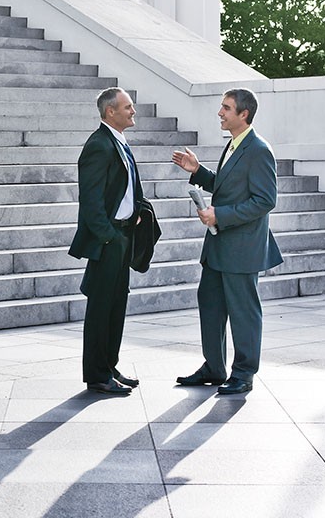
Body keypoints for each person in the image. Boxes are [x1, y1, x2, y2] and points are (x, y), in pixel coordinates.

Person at [172, 88, 283, 394]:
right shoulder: (234, 145)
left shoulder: (259, 149)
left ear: (243, 114)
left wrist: (219, 215)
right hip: (219, 247)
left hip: (243, 248)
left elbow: (264, 201)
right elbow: (229, 186)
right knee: (209, 304)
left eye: (226, 108)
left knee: (243, 312)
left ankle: (244, 373)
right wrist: (198, 172)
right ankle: (214, 367)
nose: (220, 112)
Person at [69, 87, 145, 395]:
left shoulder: (120, 143)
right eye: (127, 107)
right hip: (109, 240)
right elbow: (91, 201)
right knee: (101, 308)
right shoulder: (99, 145)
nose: (133, 111)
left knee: (116, 305)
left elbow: (124, 190)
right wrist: (110, 236)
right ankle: (97, 375)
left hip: (123, 235)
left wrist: (137, 213)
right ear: (110, 112)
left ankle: (109, 366)